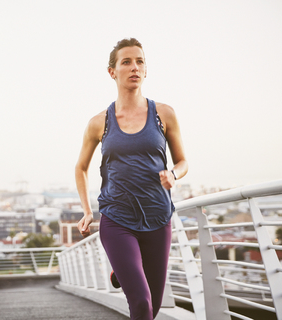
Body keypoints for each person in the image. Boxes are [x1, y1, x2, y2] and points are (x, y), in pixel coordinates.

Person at [75, 38, 188, 320]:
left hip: (158, 217)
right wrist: (88, 211)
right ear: (112, 71)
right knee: (140, 304)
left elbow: (183, 162)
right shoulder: (99, 122)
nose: (134, 67)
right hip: (117, 218)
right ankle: (125, 266)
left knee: (154, 306)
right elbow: (81, 168)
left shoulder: (164, 114)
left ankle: (123, 270)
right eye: (126, 62)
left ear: (146, 70)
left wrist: (173, 175)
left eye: (140, 61)